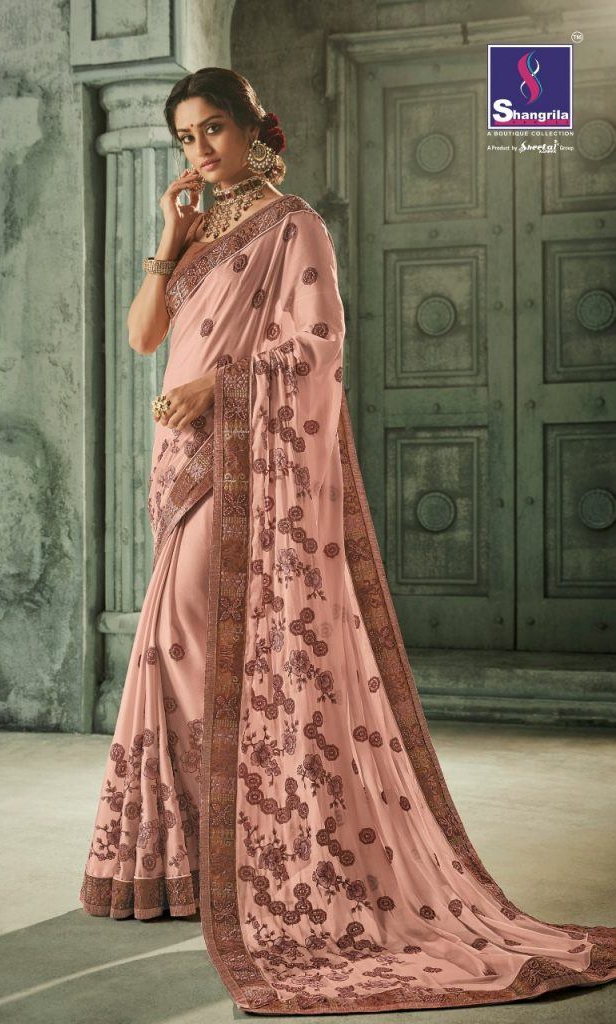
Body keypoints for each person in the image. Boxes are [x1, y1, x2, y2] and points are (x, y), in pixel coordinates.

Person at [78, 66, 616, 1014]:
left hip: (242, 451)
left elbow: (319, 348)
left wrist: (218, 388)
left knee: (194, 645)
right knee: (172, 650)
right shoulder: (200, 230)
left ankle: (257, 850)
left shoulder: (296, 228)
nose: (201, 150)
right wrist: (167, 236)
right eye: (185, 138)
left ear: (255, 129)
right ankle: (192, 862)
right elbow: (142, 336)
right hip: (183, 462)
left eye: (213, 130)